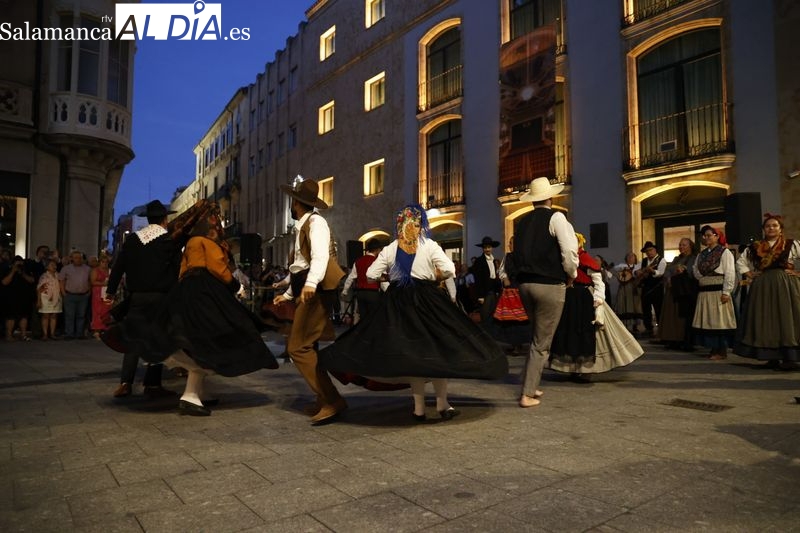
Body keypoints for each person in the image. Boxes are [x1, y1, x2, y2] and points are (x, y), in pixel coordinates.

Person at [318, 204, 508, 421]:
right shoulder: (429, 245)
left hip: (399, 302)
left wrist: (391, 277)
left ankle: (418, 409)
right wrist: (433, 275)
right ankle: (442, 404)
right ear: (419, 227)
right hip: (428, 300)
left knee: (413, 356)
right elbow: (449, 270)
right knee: (438, 351)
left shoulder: (390, 248)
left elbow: (371, 274)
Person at [163, 212, 279, 415]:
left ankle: (198, 391)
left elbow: (182, 270)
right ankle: (190, 395)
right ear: (210, 231)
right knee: (216, 337)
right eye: (216, 229)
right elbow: (218, 268)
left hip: (187, 289)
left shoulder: (190, 243)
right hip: (205, 289)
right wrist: (233, 285)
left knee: (197, 339)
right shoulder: (207, 243)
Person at [272, 178, 348, 425]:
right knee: (309, 345)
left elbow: (320, 257)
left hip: (317, 289)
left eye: (293, 201)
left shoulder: (316, 222)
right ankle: (323, 398)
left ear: (297, 203)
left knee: (298, 347)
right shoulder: (305, 224)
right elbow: (301, 266)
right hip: (309, 286)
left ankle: (331, 399)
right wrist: (288, 293)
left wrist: (311, 284)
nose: (291, 205)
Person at [104, 200, 185, 398]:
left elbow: (118, 266)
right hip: (161, 297)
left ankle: (125, 382)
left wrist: (111, 291)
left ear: (148, 220)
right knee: (157, 339)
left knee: (134, 338)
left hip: (137, 297)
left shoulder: (132, 240)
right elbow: (177, 270)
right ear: (165, 220)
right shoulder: (169, 240)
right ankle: (152, 384)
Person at [513, 177, 579, 407]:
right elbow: (569, 250)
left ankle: (529, 381)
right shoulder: (556, 217)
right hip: (549, 284)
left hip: (525, 285)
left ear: (532, 201)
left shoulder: (521, 222)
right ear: (550, 197)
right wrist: (571, 273)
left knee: (536, 336)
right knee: (542, 341)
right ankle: (527, 393)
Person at [547, 233, 644, 378]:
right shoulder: (565, 259)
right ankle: (572, 368)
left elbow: (598, 282)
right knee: (569, 333)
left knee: (586, 333)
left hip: (585, 299)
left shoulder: (586, 259)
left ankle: (586, 370)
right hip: (569, 299)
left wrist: (598, 300)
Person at [734, 213, 800, 370]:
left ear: (781, 229)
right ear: (763, 229)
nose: (771, 228)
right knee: (766, 318)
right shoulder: (755, 247)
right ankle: (771, 357)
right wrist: (749, 273)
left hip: (786, 285)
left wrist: (798, 273)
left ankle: (789, 357)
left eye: (775, 225)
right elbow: (740, 262)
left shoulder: (792, 244)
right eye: (768, 226)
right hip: (762, 287)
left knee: (786, 318)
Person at [692, 226, 736, 360]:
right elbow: (695, 270)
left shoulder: (724, 252)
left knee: (719, 320)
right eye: (704, 236)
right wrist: (704, 278)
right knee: (708, 320)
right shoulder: (701, 254)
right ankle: (713, 348)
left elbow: (729, 272)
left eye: (709, 235)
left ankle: (721, 350)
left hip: (718, 291)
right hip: (705, 292)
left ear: (717, 236)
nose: (706, 238)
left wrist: (726, 292)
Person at [659, 238, 698, 351]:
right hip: (672, 291)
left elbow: (690, 272)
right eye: (680, 245)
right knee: (672, 317)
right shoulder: (676, 258)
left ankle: (683, 340)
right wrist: (670, 276)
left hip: (684, 292)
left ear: (690, 246)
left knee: (682, 317)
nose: (681, 247)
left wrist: (680, 270)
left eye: (684, 245)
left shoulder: (693, 258)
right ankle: (672, 339)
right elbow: (667, 270)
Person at [341, 237, 385, 323]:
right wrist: (388, 291)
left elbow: (350, 278)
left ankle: (363, 335)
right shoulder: (378, 262)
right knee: (374, 318)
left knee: (364, 319)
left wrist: (344, 291)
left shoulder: (358, 261)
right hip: (373, 293)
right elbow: (383, 280)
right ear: (377, 249)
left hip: (360, 293)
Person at [1, 255, 36, 341]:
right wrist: (13, 271)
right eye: (17, 263)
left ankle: (23, 335)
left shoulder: (25, 270)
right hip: (11, 297)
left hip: (24, 297)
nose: (19, 265)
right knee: (11, 317)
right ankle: (9, 335)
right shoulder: (7, 270)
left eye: (21, 262)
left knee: (24, 316)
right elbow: (4, 282)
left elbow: (32, 280)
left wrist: (23, 273)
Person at [636, 241, 666, 338]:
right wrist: (637, 272)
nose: (649, 252)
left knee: (658, 309)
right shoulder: (643, 261)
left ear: (655, 250)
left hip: (657, 287)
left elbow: (660, 273)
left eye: (651, 250)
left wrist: (652, 271)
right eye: (647, 251)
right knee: (646, 310)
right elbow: (635, 271)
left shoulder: (661, 260)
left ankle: (661, 330)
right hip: (645, 287)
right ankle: (648, 329)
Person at [59, 250, 91, 340]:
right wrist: (63, 293)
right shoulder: (66, 268)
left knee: (81, 315)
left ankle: (79, 333)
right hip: (70, 295)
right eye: (76, 257)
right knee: (70, 315)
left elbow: (89, 281)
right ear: (72, 258)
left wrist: (89, 292)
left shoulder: (87, 269)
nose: (78, 259)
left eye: (80, 257)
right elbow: (61, 281)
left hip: (83, 295)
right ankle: (69, 334)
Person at [471, 236, 503, 323]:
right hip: (485, 292)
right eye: (485, 247)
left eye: (489, 247)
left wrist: (498, 290)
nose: (487, 249)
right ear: (483, 249)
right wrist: (480, 296)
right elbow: (478, 279)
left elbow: (495, 276)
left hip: (493, 292)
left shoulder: (494, 261)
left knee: (493, 315)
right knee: (485, 315)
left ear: (492, 248)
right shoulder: (479, 261)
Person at [613, 252, 642, 333]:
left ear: (635, 258)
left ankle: (635, 326)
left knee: (635, 306)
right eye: (628, 257)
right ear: (626, 259)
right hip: (625, 288)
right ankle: (625, 325)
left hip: (635, 288)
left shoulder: (638, 266)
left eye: (632, 256)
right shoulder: (623, 266)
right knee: (625, 305)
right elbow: (615, 269)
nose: (630, 258)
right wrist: (624, 270)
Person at [37, 259, 63, 340]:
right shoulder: (44, 276)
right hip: (46, 297)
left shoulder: (58, 275)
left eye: (55, 265)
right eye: (52, 265)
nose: (54, 266)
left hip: (57, 297)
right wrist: (39, 300)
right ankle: (45, 334)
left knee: (54, 316)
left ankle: (52, 333)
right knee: (45, 316)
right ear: (47, 267)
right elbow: (39, 289)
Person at [89, 255, 113, 339]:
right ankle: (96, 330)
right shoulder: (95, 270)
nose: (105, 264)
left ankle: (105, 329)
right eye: (103, 262)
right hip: (98, 293)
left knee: (106, 311)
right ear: (100, 262)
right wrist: (103, 283)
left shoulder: (110, 271)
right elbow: (93, 282)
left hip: (107, 293)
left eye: (106, 262)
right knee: (97, 311)